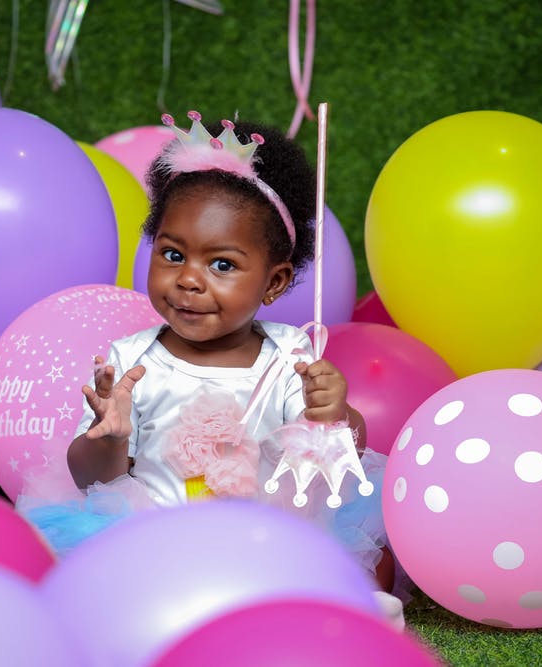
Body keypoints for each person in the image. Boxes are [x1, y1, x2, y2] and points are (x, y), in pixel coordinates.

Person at [62, 112, 401, 611]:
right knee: (111, 590)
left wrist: (333, 416)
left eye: (221, 265)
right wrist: (107, 438)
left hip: (265, 544)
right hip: (157, 544)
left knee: (364, 567)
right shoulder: (130, 360)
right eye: (173, 255)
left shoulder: (291, 357)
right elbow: (90, 481)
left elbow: (336, 462)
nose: (190, 280)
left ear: (274, 282)